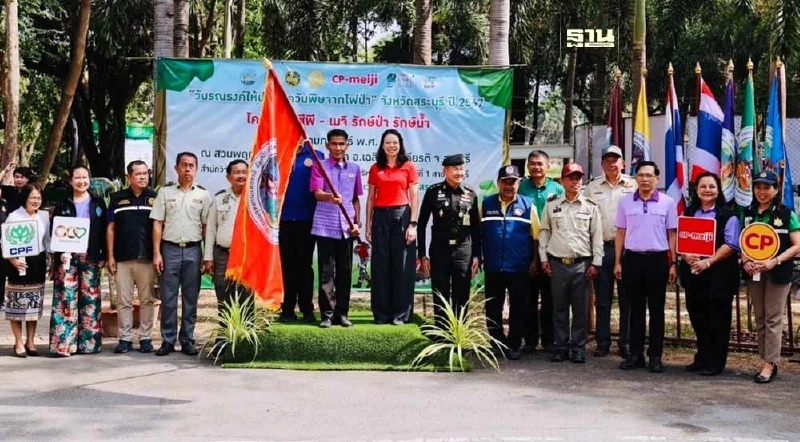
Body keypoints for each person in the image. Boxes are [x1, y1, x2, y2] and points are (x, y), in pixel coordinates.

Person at [615, 161, 678, 373]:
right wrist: (617, 262)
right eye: (641, 175)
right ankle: (636, 354)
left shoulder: (667, 203)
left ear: (657, 179)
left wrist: (673, 263)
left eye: (649, 175)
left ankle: (655, 355)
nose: (644, 179)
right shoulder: (625, 202)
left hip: (658, 260)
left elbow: (672, 234)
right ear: (636, 178)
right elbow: (621, 233)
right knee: (636, 310)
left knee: (657, 310)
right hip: (632, 259)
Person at [539, 163, 603, 363]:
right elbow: (544, 232)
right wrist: (543, 259)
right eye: (570, 178)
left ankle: (578, 348)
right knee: (559, 309)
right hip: (557, 264)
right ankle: (561, 347)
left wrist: (596, 263)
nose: (575, 182)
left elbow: (597, 237)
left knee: (580, 309)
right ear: (562, 181)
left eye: (578, 178)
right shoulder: (552, 205)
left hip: (581, 265)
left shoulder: (590, 207)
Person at [679, 172, 741, 376]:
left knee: (718, 320)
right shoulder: (689, 212)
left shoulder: (728, 215)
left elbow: (731, 244)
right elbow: (682, 239)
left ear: (718, 190)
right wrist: (686, 255)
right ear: (696, 190)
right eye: (703, 186)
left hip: (719, 276)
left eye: (712, 186)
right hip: (694, 275)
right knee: (698, 317)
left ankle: (716, 362)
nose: (707, 190)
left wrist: (708, 261)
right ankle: (702, 358)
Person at [741, 170, 800, 383]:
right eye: (758, 187)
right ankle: (765, 358)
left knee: (773, 318)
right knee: (760, 317)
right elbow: (743, 241)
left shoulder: (786, 214)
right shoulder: (748, 212)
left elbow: (797, 245)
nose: (762, 191)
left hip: (778, 272)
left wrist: (774, 261)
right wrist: (746, 261)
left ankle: (770, 363)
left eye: (767, 187)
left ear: (776, 190)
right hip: (755, 272)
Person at [151, 152, 212, 356]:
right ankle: (168, 340)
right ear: (176, 168)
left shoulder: (203, 195)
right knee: (168, 298)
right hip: (169, 250)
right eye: (184, 165)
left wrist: (207, 255)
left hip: (194, 250)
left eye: (191, 165)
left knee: (190, 298)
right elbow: (157, 224)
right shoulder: (165, 192)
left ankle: (187, 340)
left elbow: (207, 227)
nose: (187, 169)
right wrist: (157, 253)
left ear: (196, 169)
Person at [481, 165, 540, 360]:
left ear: (518, 183)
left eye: (513, 182)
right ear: (498, 183)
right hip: (493, 266)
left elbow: (536, 237)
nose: (509, 186)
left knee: (519, 308)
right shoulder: (486, 204)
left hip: (519, 267)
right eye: (505, 182)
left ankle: (514, 345)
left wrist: (535, 261)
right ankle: (497, 344)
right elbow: (478, 233)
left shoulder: (528, 205)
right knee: (493, 308)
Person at [49, 165, 108, 356]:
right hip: (67, 256)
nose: (81, 181)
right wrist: (59, 253)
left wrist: (104, 255)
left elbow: (104, 230)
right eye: (77, 178)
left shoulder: (98, 202)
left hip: (90, 256)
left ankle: (89, 344)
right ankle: (64, 344)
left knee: (90, 298)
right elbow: (55, 230)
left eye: (85, 178)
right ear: (71, 181)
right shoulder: (63, 203)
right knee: (65, 298)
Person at [584, 145, 637, 358]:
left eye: (616, 160)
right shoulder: (592, 187)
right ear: (602, 164)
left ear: (623, 163)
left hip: (628, 249)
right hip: (603, 248)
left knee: (627, 299)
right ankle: (602, 342)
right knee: (603, 299)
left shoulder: (634, 185)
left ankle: (625, 342)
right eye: (607, 160)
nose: (612, 164)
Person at [418, 154, 481, 328]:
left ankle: (459, 334)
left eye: (461, 169)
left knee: (462, 294)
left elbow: (476, 227)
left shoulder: (470, 193)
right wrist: (422, 254)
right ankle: (442, 334)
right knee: (440, 294)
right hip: (440, 250)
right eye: (455, 169)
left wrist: (477, 255)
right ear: (445, 171)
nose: (459, 172)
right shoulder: (433, 192)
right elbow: (421, 225)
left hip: (463, 251)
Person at [366, 129, 419, 325]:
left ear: (400, 145)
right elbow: (371, 198)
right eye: (388, 142)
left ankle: (401, 314)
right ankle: (381, 314)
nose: (391, 146)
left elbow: (414, 197)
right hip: (380, 217)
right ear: (382, 145)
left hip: (402, 216)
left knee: (402, 266)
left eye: (395, 142)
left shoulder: (408, 166)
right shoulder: (375, 168)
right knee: (380, 266)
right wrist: (368, 224)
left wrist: (412, 224)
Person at [310, 129, 363, 328]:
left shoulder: (355, 169)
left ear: (347, 146)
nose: (338, 148)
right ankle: (327, 315)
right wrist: (330, 197)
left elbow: (355, 199)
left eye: (341, 144)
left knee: (345, 272)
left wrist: (356, 223)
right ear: (327, 145)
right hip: (325, 227)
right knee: (326, 273)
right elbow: (317, 193)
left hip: (347, 229)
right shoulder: (320, 166)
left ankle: (342, 314)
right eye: (334, 143)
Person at [107, 160, 158, 354]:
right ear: (128, 177)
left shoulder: (155, 198)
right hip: (122, 258)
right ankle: (125, 338)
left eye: (145, 173)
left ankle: (146, 337)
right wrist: (110, 256)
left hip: (147, 258)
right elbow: (111, 228)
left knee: (147, 300)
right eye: (138, 174)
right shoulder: (116, 198)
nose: (143, 177)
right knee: (124, 301)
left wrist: (157, 254)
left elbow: (159, 227)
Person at [518, 150, 563, 353]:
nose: (536, 167)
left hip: (552, 247)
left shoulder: (557, 189)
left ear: (548, 166)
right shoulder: (520, 187)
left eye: (540, 164)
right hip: (525, 246)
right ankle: (529, 340)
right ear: (528, 166)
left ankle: (548, 340)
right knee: (527, 296)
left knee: (549, 298)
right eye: (533, 164)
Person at [279, 143, 324, 323]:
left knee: (305, 266)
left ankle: (307, 309)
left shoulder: (315, 154)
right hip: (283, 220)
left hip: (308, 219)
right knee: (287, 266)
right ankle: (287, 309)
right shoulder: (278, 154)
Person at [4, 185, 49, 357]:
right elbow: (5, 242)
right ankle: (18, 342)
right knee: (16, 304)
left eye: (39, 198)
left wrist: (51, 262)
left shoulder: (44, 216)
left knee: (33, 304)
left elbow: (47, 241)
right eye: (33, 198)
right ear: (25, 198)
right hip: (18, 263)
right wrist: (13, 261)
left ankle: (30, 341)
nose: (36, 201)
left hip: (38, 263)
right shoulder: (14, 216)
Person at [204, 160, 252, 321]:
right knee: (223, 293)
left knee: (246, 296)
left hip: (246, 256)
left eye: (244, 172)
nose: (241, 176)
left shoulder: (255, 199)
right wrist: (208, 257)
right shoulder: (220, 198)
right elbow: (211, 229)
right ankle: (225, 331)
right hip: (223, 255)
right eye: (237, 172)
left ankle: (246, 331)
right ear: (228, 177)